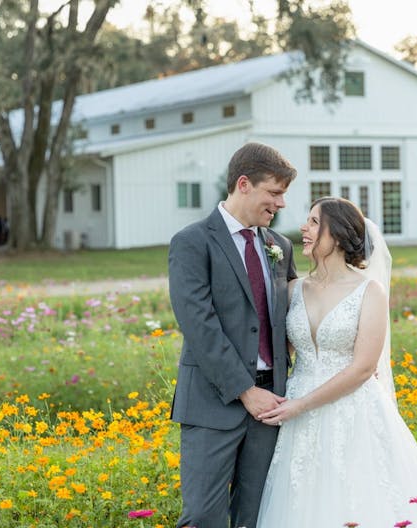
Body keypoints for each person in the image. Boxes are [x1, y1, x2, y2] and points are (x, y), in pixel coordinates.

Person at [256, 197, 417, 527]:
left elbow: (362, 368)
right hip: (298, 420)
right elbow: (280, 351)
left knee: (357, 496)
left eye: (315, 222)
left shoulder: (369, 291)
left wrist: (301, 405)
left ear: (339, 233)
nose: (304, 228)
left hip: (352, 412)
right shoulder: (292, 290)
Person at [168, 142, 298, 528]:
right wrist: (245, 390)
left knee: (256, 516)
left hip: (271, 404)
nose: (281, 204)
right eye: (274, 193)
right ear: (244, 184)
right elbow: (199, 325)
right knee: (203, 516)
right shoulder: (192, 243)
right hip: (212, 403)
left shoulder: (280, 246)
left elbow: (297, 316)